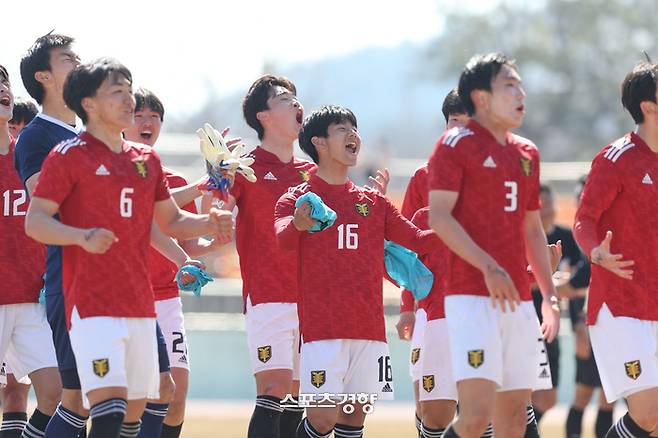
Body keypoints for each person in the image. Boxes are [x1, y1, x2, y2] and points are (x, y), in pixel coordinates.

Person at [24, 58, 233, 438]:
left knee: (149, 401)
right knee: (108, 404)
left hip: (141, 306)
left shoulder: (146, 161)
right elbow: (35, 221)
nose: (128, 99)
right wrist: (80, 236)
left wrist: (210, 224)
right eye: (117, 91)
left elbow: (168, 221)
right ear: (88, 103)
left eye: (128, 89)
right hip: (92, 305)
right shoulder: (67, 156)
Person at [275, 105, 441, 438]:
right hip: (322, 330)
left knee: (353, 421)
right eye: (341, 128)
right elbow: (282, 238)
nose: (353, 134)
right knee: (321, 420)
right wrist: (298, 223)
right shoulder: (299, 198)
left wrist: (462, 222)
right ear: (319, 143)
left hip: (368, 331)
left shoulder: (374, 203)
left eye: (354, 127)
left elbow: (419, 240)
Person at [428, 52, 560, 437]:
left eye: (520, 84)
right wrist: (488, 266)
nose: (521, 93)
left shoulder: (527, 153)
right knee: (475, 418)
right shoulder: (455, 145)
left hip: (519, 300)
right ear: (481, 97)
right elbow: (439, 217)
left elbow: (532, 229)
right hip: (471, 297)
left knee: (516, 419)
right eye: (509, 85)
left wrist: (548, 296)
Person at [123, 87, 222, 438]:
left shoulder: (174, 180)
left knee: (175, 394)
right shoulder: (116, 173)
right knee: (124, 400)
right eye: (139, 115)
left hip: (165, 300)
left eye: (154, 116)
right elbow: (145, 215)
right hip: (121, 300)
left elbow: (190, 246)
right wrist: (204, 184)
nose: (147, 122)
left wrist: (220, 239)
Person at [574, 59, 658, 438]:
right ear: (649, 106)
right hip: (621, 307)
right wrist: (595, 252)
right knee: (649, 415)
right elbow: (583, 220)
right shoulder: (617, 158)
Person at [396, 88, 469, 437]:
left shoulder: (495, 177)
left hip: (480, 308)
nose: (459, 130)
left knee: (480, 407)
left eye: (468, 123)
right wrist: (408, 305)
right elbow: (407, 249)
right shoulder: (423, 178)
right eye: (454, 121)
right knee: (431, 408)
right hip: (433, 307)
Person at [0, 63, 61, 438]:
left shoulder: (30, 156)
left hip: (31, 300)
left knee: (56, 396)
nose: (1, 89)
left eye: (3, 82)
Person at [564, 176, 614, 438]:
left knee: (609, 397)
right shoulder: (573, 239)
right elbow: (572, 287)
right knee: (583, 394)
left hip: (614, 326)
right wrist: (578, 325)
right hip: (588, 325)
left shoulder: (607, 235)